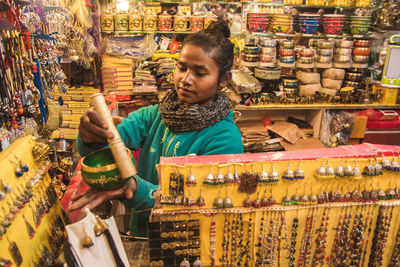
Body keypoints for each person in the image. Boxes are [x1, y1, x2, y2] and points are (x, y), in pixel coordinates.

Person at [69, 19, 244, 237]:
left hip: (187, 244)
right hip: (142, 235)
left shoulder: (225, 139)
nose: (185, 79)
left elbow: (198, 205)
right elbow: (105, 146)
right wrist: (91, 137)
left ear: (224, 79)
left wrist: (134, 188)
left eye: (199, 73)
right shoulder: (157, 114)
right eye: (181, 67)